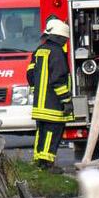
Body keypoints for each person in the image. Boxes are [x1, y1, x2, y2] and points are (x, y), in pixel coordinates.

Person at [27, 18, 72, 171]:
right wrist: (66, 100)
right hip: (53, 103)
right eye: (65, 39)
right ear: (59, 37)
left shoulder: (39, 50)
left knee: (41, 132)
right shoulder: (57, 53)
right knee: (52, 133)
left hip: (39, 103)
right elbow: (58, 79)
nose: (65, 42)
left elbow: (30, 73)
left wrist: (37, 89)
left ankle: (38, 161)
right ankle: (47, 164)